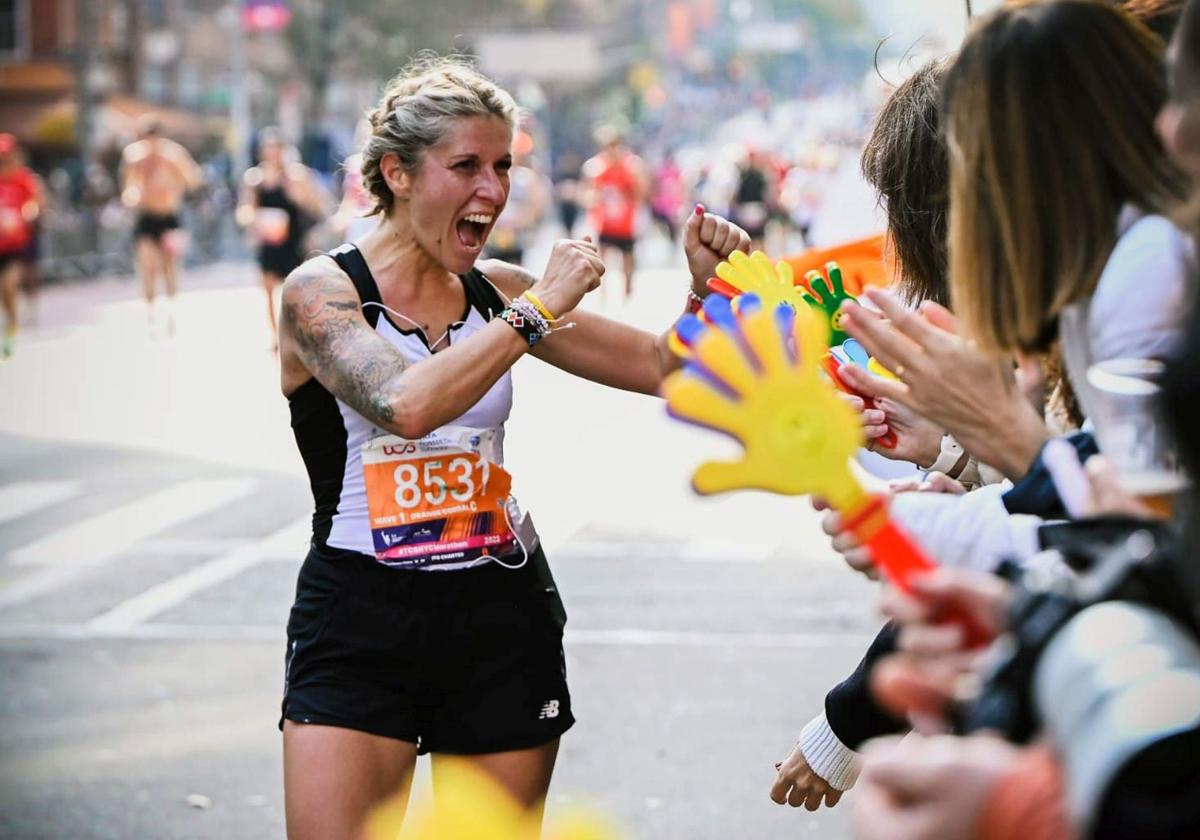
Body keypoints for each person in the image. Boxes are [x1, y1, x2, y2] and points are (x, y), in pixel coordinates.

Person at [276, 55, 749, 840]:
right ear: (395, 173)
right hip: (360, 615)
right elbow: (405, 404)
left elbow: (666, 368)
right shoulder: (319, 293)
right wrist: (537, 312)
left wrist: (703, 290)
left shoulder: (494, 289)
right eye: (465, 166)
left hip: (498, 613)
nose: (493, 192)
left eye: (502, 166)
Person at [237, 129, 328, 350]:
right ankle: (276, 336)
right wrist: (253, 221)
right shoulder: (255, 178)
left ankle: (297, 334)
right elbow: (244, 209)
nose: (272, 154)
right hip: (269, 241)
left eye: (276, 148)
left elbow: (320, 204)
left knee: (296, 291)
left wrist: (298, 196)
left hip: (294, 241)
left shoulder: (297, 176)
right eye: (268, 149)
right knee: (268, 290)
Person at [120, 115, 202, 334]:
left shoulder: (173, 154)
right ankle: (151, 312)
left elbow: (194, 179)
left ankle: (171, 310)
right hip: (146, 216)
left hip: (169, 217)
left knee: (169, 267)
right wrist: (131, 196)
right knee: (147, 265)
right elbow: (129, 185)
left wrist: (175, 177)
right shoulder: (134, 156)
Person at [581, 125, 648, 299]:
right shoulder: (595, 167)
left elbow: (642, 192)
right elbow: (588, 194)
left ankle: (628, 295)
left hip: (626, 223)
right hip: (605, 223)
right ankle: (603, 295)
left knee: (627, 259)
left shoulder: (632, 166)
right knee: (602, 259)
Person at [0, 133, 43, 357]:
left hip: (15, 244)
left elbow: (34, 202)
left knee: (10, 285)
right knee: (3, 295)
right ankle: (9, 325)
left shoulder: (23, 178)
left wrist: (27, 215)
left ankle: (11, 331)